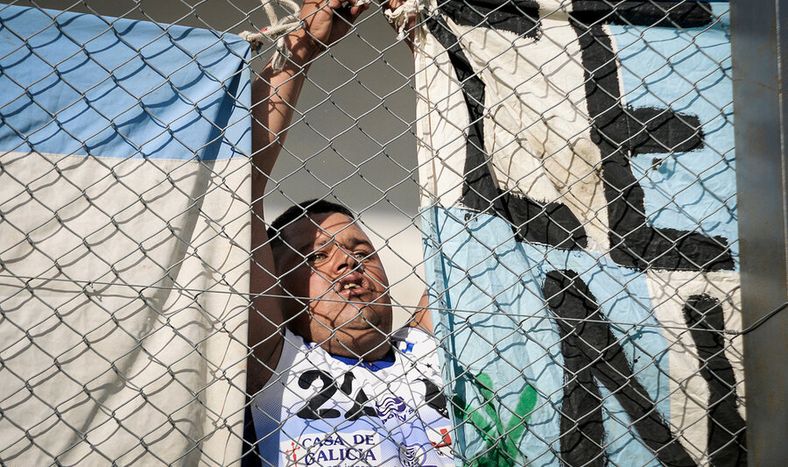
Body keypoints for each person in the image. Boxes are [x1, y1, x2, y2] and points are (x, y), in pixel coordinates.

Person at [242, 0, 454, 465]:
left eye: (361, 249)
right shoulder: (274, 363)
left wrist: (450, 34)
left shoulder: (434, 348)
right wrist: (300, 50)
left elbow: (472, 209)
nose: (346, 262)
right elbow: (235, 185)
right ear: (275, 289)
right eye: (314, 256)